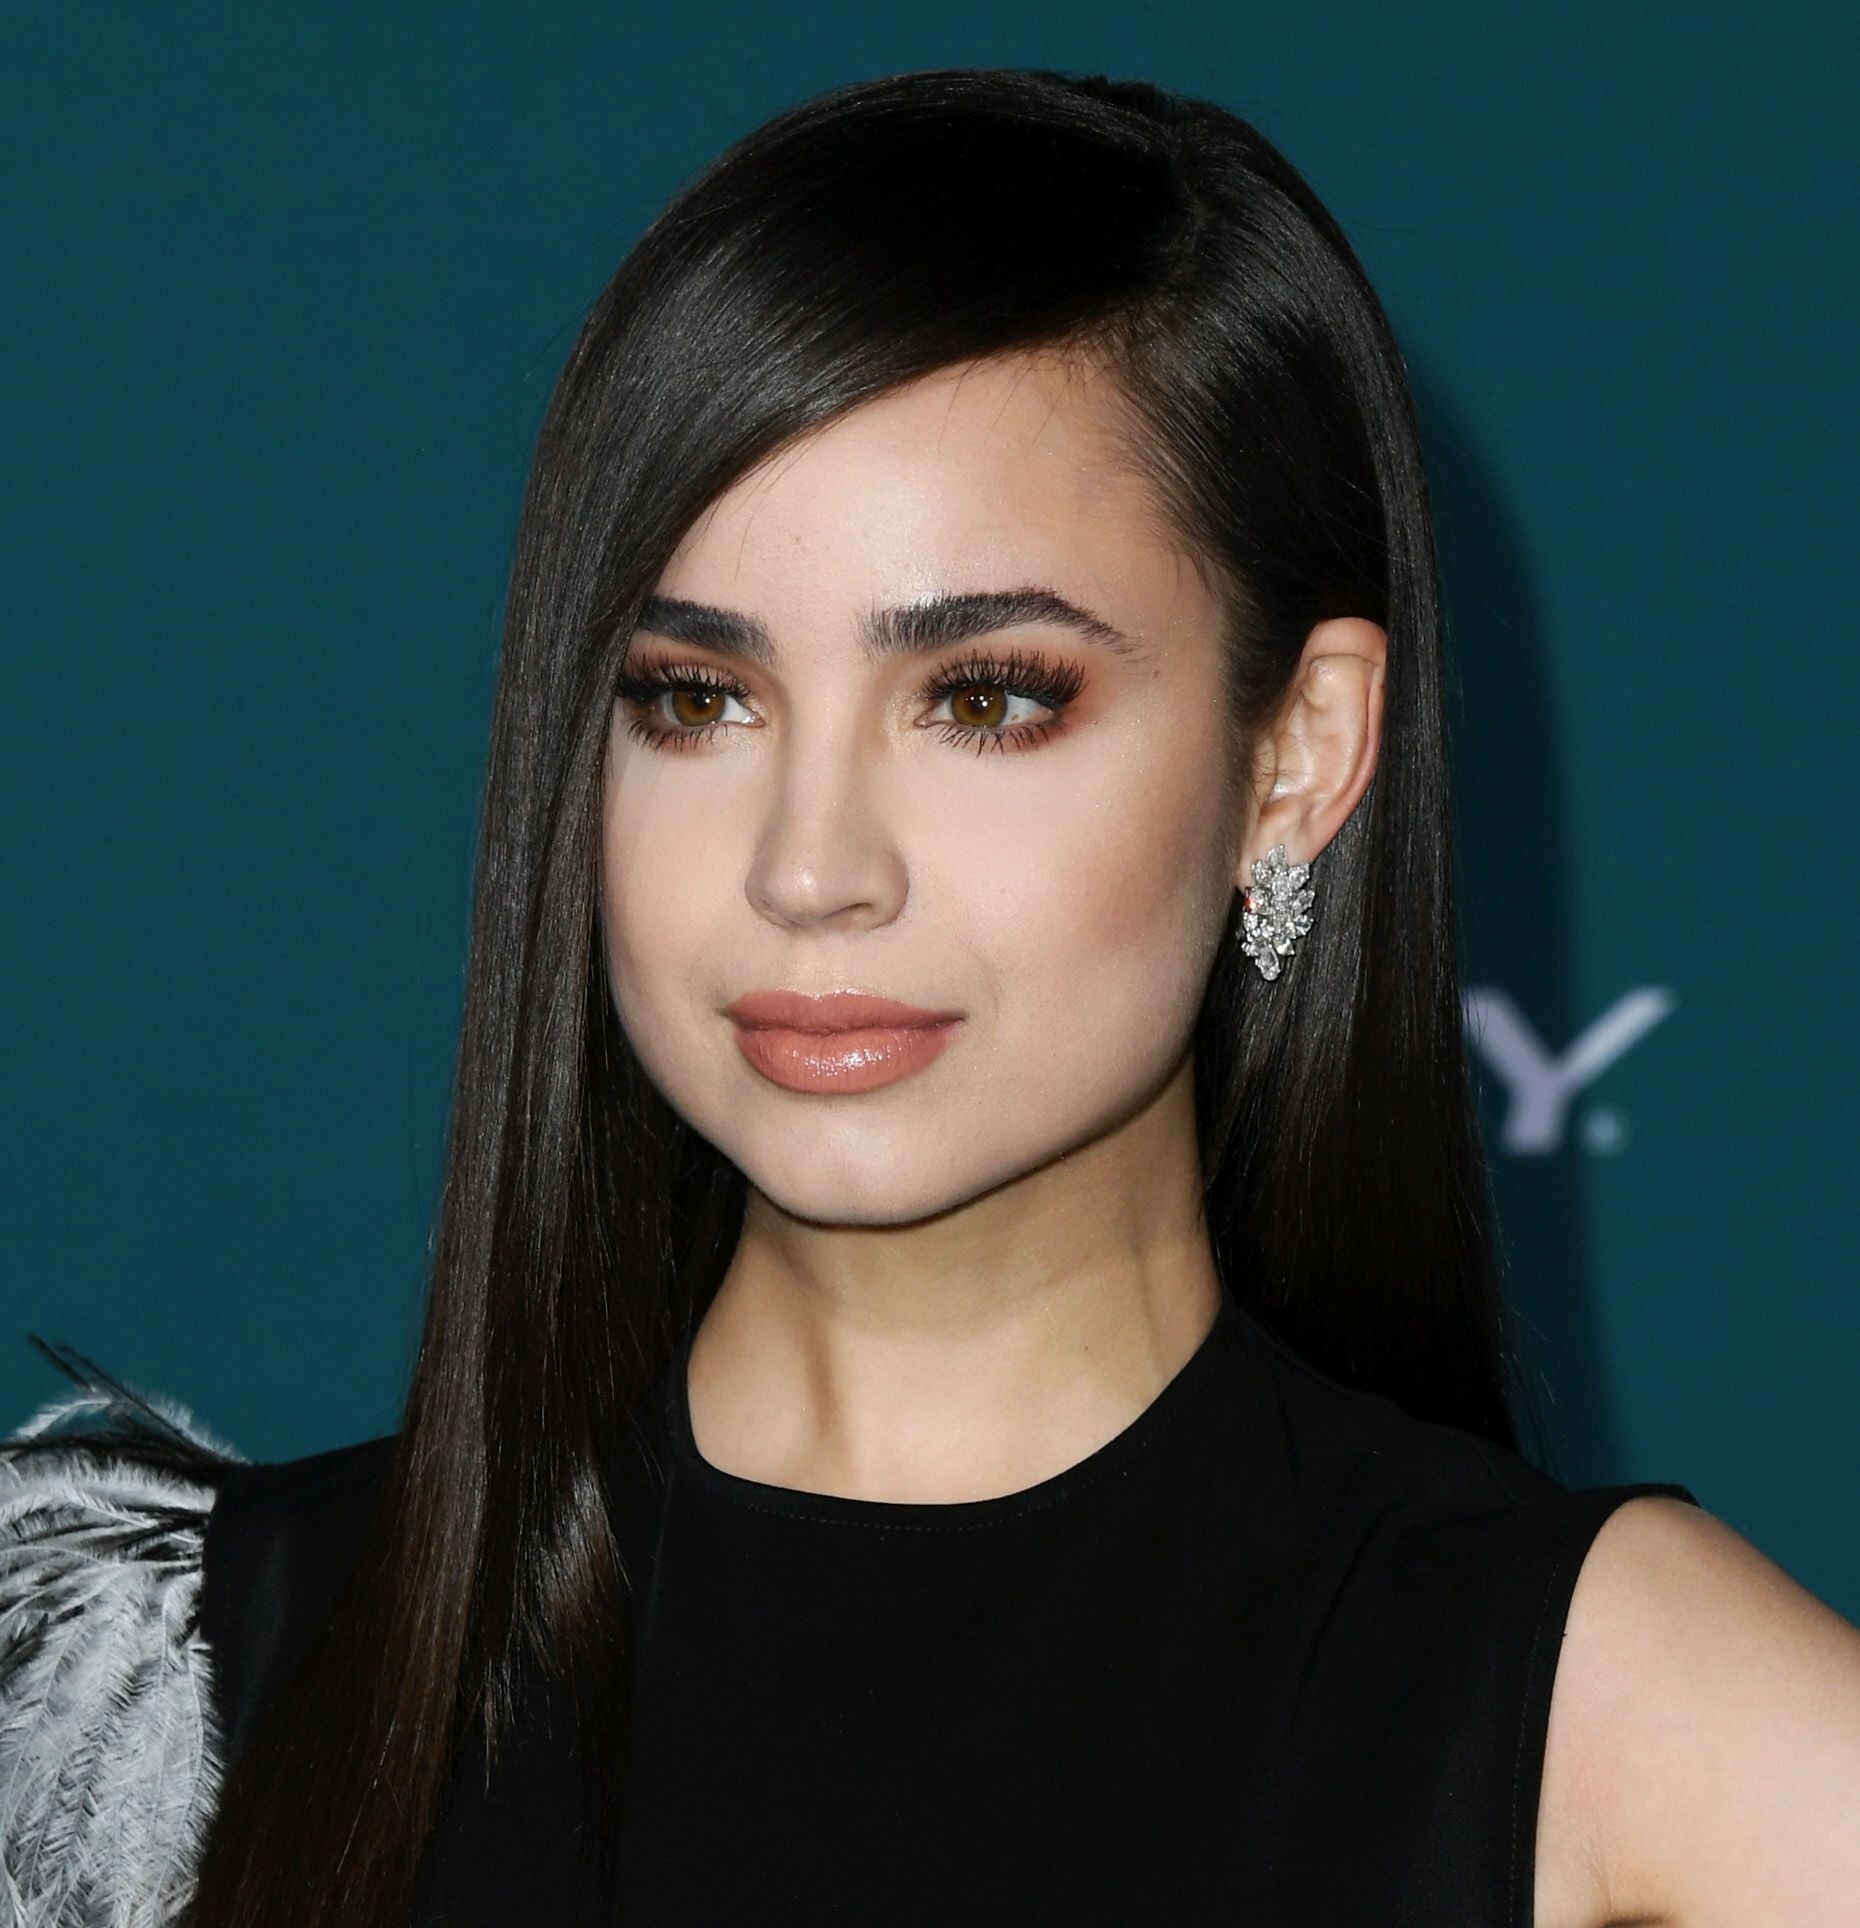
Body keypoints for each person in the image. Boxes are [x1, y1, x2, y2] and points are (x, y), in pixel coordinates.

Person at [3, 64, 1857, 1928]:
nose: (811, 867)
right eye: (696, 698)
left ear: (1296, 755)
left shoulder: (1620, 1723)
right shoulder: (166, 1709)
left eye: (985, 698)